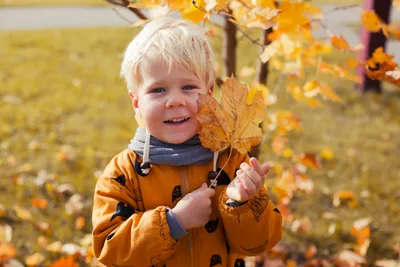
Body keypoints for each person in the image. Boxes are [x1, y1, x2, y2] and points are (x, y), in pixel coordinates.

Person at [91, 16, 282, 267]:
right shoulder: (122, 175)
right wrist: (174, 222)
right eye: (158, 90)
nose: (175, 101)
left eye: (189, 87)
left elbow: (258, 244)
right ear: (136, 101)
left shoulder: (230, 161)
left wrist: (242, 203)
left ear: (209, 92)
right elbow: (109, 250)